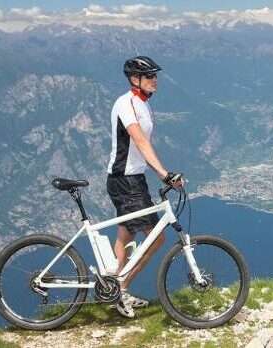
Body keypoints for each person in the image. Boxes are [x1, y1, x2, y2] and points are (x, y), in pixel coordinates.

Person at [106, 56, 182, 318]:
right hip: (125, 181)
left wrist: (159, 173)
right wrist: (164, 174)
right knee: (157, 237)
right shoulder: (126, 103)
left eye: (155, 75)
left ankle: (116, 289)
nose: (155, 80)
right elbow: (139, 141)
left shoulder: (142, 104)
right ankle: (121, 288)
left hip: (132, 179)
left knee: (125, 238)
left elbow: (143, 146)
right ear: (134, 79)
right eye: (150, 76)